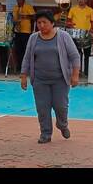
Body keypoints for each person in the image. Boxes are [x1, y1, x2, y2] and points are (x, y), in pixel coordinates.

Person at [19, 11, 82, 143]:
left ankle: (62, 124)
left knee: (61, 106)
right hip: (40, 80)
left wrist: (75, 75)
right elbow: (26, 57)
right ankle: (45, 133)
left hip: (60, 79)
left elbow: (75, 56)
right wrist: (24, 76)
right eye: (39, 23)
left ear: (52, 23)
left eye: (44, 23)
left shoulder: (63, 36)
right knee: (42, 108)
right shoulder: (33, 38)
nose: (41, 25)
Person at [67, 0, 93, 75]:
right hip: (75, 34)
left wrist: (91, 31)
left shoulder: (90, 10)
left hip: (86, 34)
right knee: (76, 54)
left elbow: (92, 22)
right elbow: (69, 20)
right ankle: (77, 72)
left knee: (87, 54)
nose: (80, 0)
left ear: (85, 0)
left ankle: (87, 72)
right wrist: (70, 25)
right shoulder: (73, 9)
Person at [11, 0, 36, 71]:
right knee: (18, 49)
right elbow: (14, 18)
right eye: (18, 0)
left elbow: (34, 16)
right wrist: (15, 22)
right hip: (17, 30)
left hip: (26, 31)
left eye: (20, 0)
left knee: (26, 49)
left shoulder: (28, 6)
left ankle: (26, 67)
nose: (19, 2)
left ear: (23, 0)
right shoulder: (15, 7)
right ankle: (19, 66)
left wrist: (25, 16)